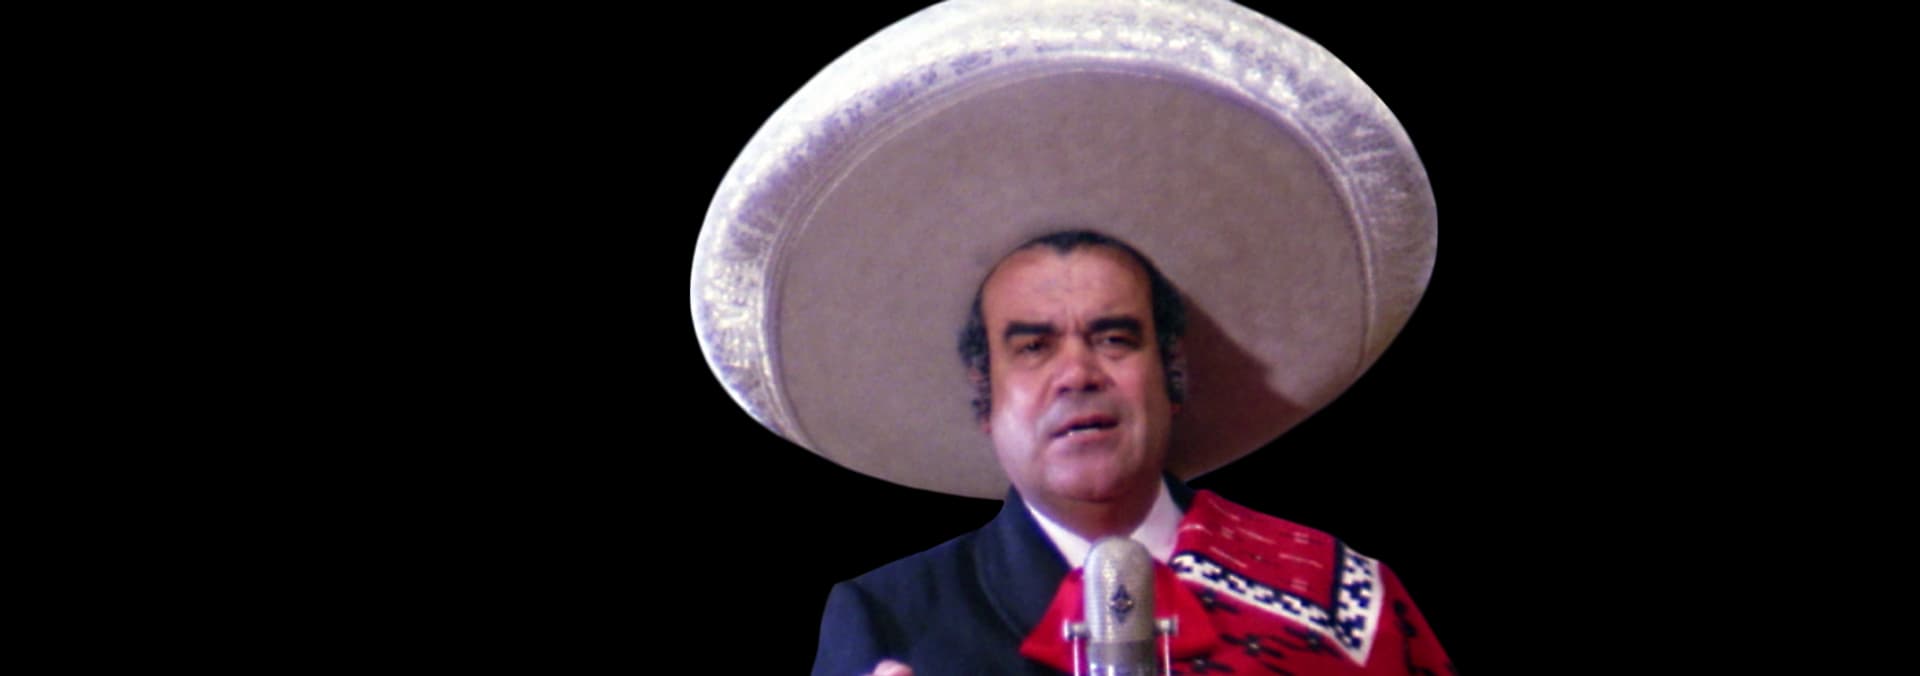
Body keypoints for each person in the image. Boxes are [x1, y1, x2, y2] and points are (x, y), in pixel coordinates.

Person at [809, 232, 1453, 675]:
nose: (1077, 374)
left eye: (1114, 338)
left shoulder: (1340, 595)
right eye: (1033, 348)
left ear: (1171, 375)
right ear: (986, 395)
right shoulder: (888, 617)